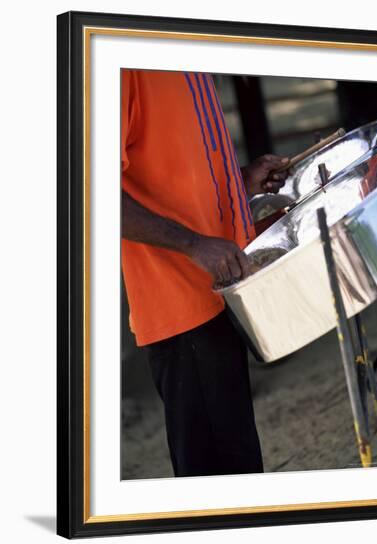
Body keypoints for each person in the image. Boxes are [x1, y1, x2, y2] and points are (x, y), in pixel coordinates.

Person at [121, 69, 288, 477]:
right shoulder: (124, 62)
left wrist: (240, 181)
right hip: (180, 311)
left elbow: (180, 168)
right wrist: (194, 245)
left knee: (240, 470)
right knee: (216, 486)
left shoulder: (187, 58)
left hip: (221, 295)